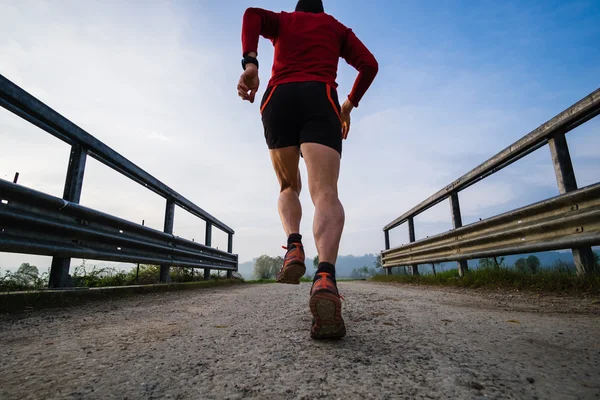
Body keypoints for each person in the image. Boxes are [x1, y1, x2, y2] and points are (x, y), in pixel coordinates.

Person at [237, 0, 378, 339]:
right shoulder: (337, 28)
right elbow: (369, 65)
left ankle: (294, 244)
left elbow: (251, 15)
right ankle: (325, 277)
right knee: (325, 192)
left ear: (299, 8)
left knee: (288, 186)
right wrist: (348, 105)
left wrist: (252, 63)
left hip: (279, 99)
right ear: (321, 11)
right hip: (320, 98)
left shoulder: (284, 21)